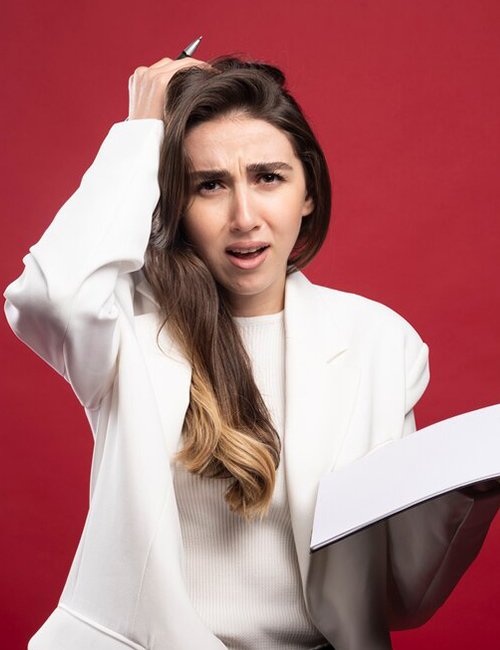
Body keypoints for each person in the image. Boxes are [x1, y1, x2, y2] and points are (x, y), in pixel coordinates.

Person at [4, 54, 500, 650]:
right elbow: (50, 296)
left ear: (307, 192)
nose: (244, 218)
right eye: (210, 185)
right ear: (174, 204)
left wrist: (466, 495)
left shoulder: (379, 342)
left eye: (268, 178)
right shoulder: (128, 327)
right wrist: (140, 131)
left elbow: (397, 598)